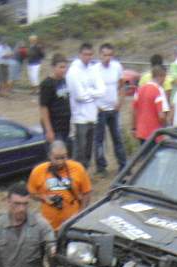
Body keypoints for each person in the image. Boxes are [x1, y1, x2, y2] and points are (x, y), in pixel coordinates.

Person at [27, 141, 91, 232]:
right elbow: (31, 193)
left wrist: (81, 213)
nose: (60, 161)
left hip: (72, 224)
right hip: (49, 226)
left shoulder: (77, 168)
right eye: (56, 158)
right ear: (49, 156)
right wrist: (44, 198)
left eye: (63, 157)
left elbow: (87, 192)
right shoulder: (38, 171)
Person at [66, 43, 105, 170]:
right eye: (85, 54)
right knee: (79, 150)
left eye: (90, 54)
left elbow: (102, 90)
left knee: (88, 149)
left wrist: (89, 92)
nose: (88, 57)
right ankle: (76, 175)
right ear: (80, 54)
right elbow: (79, 95)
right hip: (79, 117)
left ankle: (84, 174)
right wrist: (93, 93)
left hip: (92, 115)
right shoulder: (73, 71)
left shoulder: (93, 69)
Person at [94, 43, 127, 177]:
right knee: (99, 140)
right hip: (100, 109)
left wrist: (120, 101)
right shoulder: (94, 69)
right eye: (104, 55)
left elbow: (121, 85)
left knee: (117, 137)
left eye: (109, 55)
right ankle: (101, 167)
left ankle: (123, 164)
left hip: (114, 109)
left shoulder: (117, 67)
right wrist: (96, 106)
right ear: (100, 55)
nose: (107, 58)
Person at [39, 54, 71, 146]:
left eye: (65, 67)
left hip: (65, 125)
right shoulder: (47, 84)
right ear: (53, 67)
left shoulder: (64, 81)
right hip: (54, 126)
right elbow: (43, 108)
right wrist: (49, 130)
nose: (63, 70)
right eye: (61, 67)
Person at [134, 65, 170, 142]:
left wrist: (133, 128)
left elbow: (134, 111)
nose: (165, 80)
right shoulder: (159, 90)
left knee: (144, 153)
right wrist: (166, 127)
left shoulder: (140, 89)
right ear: (160, 76)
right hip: (155, 133)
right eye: (165, 77)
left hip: (141, 132)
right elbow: (162, 115)